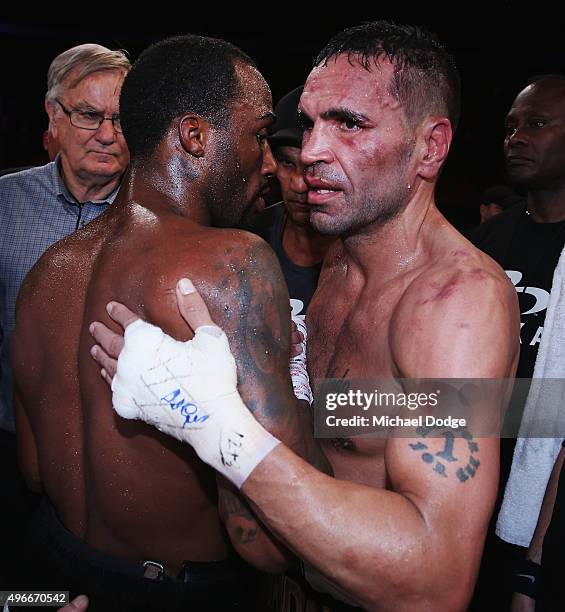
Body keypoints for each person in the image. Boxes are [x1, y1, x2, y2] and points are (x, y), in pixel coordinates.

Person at [90, 22, 520, 610]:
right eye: (313, 122)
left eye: (350, 123)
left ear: (431, 147)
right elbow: (362, 426)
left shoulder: (456, 303)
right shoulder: (342, 256)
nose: (312, 150)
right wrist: (262, 387)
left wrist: (211, 422)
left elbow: (437, 578)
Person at [11, 34, 325, 611]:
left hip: (49, 570)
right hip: (176, 592)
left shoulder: (46, 273)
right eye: (258, 136)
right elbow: (269, 545)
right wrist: (299, 377)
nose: (268, 163)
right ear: (195, 136)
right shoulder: (231, 264)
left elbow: (32, 470)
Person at [0, 42, 130, 587]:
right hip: (9, 444)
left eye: (121, 119)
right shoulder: (5, 204)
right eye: (88, 115)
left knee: (99, 589)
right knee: (24, 589)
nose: (107, 133)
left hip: (120, 454)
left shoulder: (158, 217)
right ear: (53, 114)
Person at [467, 74, 565, 610]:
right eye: (509, 128)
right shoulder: (484, 243)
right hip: (473, 484)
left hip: (545, 505)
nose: (517, 137)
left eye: (538, 123)